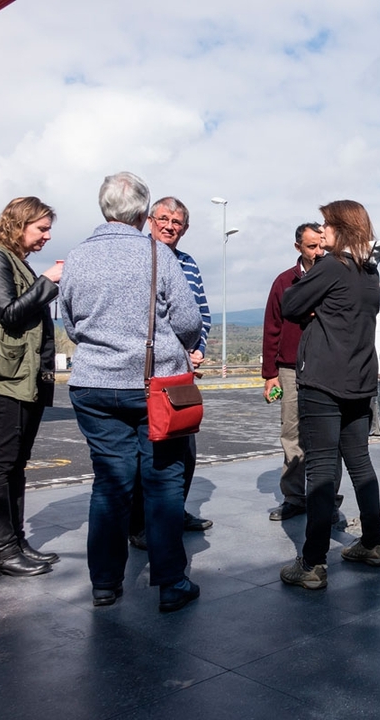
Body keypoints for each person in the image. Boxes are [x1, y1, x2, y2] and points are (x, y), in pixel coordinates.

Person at [60, 172, 202, 612]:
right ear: (143, 213)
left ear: (104, 209)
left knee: (110, 484)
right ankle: (171, 584)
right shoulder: (158, 255)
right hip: (152, 386)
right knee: (162, 484)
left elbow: (68, 321)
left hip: (92, 385)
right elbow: (188, 322)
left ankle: (105, 583)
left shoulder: (76, 256)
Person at [279, 200, 380, 590]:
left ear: (341, 228)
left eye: (326, 225)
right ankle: (373, 544)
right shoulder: (369, 271)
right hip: (359, 383)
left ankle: (311, 563)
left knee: (321, 470)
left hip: (323, 382)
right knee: (360, 463)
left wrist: (313, 308)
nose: (321, 232)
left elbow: (289, 305)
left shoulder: (330, 266)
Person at [0, 197, 64, 577]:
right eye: (41, 228)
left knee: (16, 463)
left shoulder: (14, 260)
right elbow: (9, 313)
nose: (47, 236)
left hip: (24, 372)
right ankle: (1, 550)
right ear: (18, 224)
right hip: (9, 374)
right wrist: (47, 281)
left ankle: (14, 542)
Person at [127, 197, 212, 550]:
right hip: (143, 372)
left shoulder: (188, 264)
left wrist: (199, 347)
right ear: (149, 220)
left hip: (180, 374)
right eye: (163, 218)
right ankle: (140, 523)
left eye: (177, 222)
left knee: (184, 448)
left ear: (185, 229)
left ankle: (174, 511)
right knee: (145, 451)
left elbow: (201, 315)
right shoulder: (139, 257)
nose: (170, 226)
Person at [261, 222, 337, 521]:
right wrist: (270, 374)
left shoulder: (334, 277)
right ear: (298, 248)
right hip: (290, 368)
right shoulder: (284, 282)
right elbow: (272, 328)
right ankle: (294, 497)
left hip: (326, 366)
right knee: (291, 433)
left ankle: (327, 499)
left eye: (322, 246)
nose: (318, 252)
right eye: (311, 246)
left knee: (328, 436)